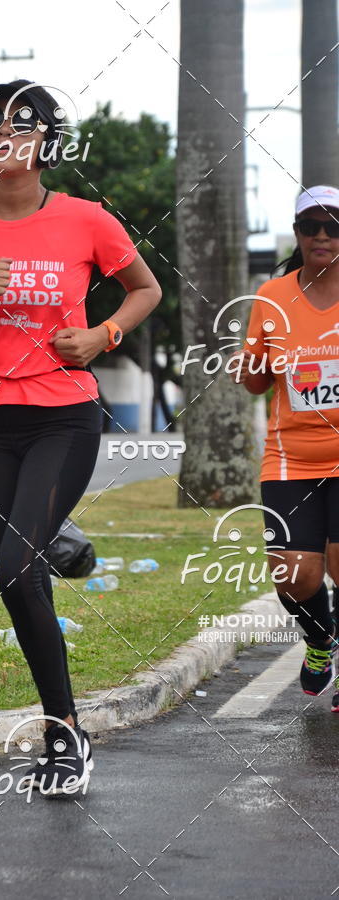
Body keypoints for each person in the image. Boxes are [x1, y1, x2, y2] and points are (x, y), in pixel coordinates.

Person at [0, 79, 161, 794]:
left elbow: (146, 289)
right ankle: (69, 731)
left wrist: (102, 333)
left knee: (17, 571)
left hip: (65, 416)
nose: (3, 136)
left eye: (19, 126)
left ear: (46, 143)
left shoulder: (87, 220)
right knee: (21, 582)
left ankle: (62, 736)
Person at [232, 184, 339, 708]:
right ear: (297, 234)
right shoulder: (272, 296)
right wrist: (249, 368)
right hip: (290, 455)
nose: (323, 235)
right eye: (312, 226)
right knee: (294, 574)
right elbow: (257, 381)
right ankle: (320, 640)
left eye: (334, 226)